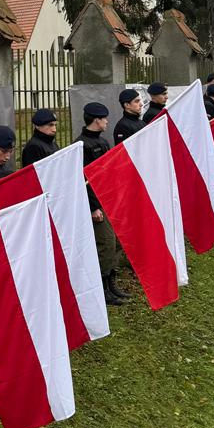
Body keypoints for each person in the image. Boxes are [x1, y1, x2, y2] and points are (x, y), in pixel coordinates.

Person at [77, 103, 129, 306]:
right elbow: (82, 180)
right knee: (106, 244)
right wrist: (92, 207)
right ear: (96, 120)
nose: (107, 122)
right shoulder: (81, 145)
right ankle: (100, 287)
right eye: (105, 119)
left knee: (116, 242)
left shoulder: (103, 141)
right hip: (96, 204)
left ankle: (111, 282)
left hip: (108, 200)